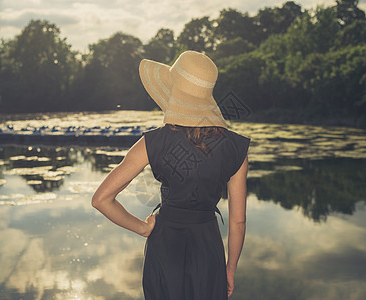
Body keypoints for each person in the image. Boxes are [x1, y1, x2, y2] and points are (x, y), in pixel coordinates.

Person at [92, 50, 251, 299]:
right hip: (208, 250)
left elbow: (101, 199)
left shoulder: (152, 142)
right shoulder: (235, 148)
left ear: (175, 91)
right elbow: (238, 222)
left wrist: (142, 228)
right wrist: (229, 269)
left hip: (164, 247)